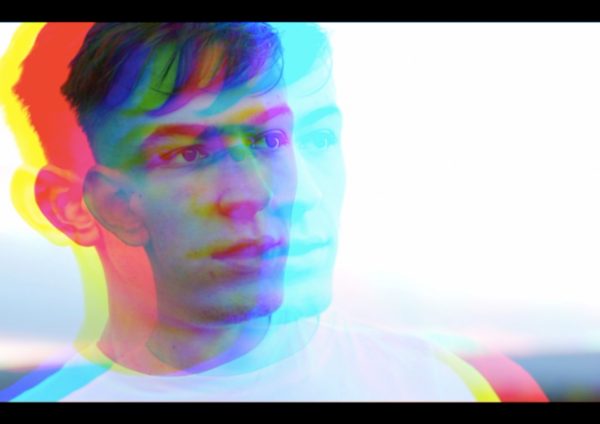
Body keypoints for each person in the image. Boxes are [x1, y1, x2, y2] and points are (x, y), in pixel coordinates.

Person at [0, 22, 498, 401]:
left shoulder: (429, 384)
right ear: (81, 207)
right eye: (192, 153)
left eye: (316, 138)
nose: (295, 193)